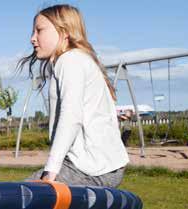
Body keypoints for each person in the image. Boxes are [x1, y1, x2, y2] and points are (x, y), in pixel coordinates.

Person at [19, 4, 129, 188]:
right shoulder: (76, 60)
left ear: (64, 32)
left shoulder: (70, 60)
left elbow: (71, 116)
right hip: (100, 166)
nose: (32, 38)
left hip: (90, 168)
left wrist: (51, 171)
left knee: (21, 196)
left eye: (39, 31)